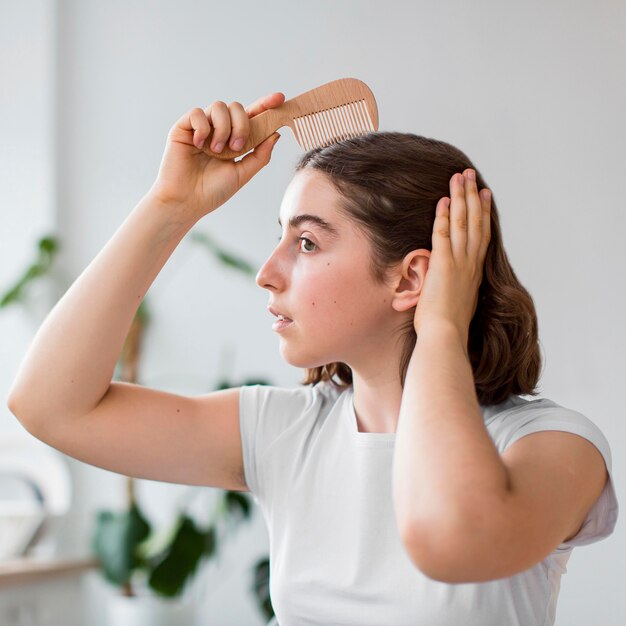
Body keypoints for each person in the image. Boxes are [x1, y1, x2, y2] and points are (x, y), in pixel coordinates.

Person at [8, 91, 618, 625]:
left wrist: (439, 329)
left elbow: (451, 537)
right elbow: (49, 406)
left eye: (305, 241)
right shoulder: (287, 431)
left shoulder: (551, 445)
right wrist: (173, 205)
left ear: (411, 280)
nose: (267, 273)